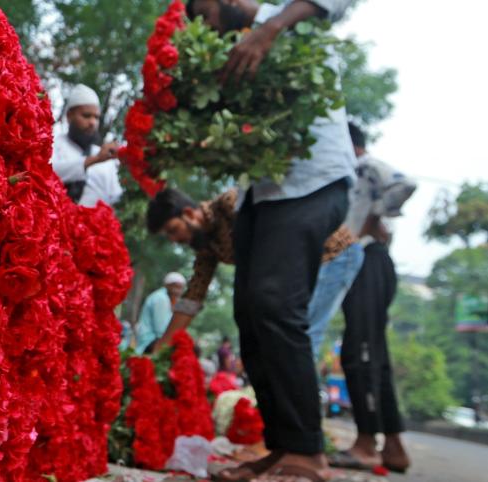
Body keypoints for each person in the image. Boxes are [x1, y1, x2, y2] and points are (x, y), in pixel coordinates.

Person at [157, 2, 358, 480]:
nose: (204, 24)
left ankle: (309, 452)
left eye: (204, 11)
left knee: (273, 302)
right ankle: (283, 444)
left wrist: (270, 28)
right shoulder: (234, 49)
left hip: (315, 182)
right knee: (249, 311)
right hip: (263, 192)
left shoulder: (285, 20)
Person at [329, 123, 415, 474]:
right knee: (374, 354)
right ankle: (393, 446)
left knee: (359, 353)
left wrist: (376, 215)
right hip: (364, 262)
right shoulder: (350, 173)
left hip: (367, 260)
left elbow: (405, 182)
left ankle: (366, 443)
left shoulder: (362, 166)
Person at [50, 84, 123, 207]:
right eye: (86, 115)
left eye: (96, 117)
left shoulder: (106, 159)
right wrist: (94, 160)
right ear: (69, 116)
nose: (92, 123)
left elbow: (115, 199)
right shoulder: (52, 145)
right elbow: (49, 173)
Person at [135, 272, 187, 354]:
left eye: (180, 288)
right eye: (175, 286)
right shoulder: (161, 298)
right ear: (167, 285)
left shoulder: (166, 298)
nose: (178, 291)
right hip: (150, 342)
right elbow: (161, 329)